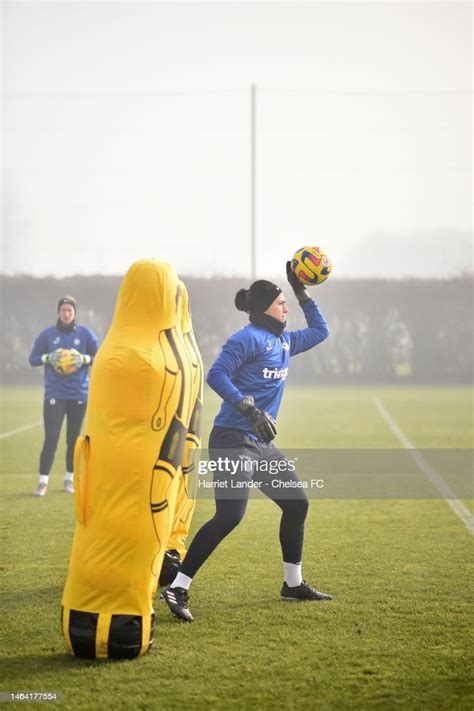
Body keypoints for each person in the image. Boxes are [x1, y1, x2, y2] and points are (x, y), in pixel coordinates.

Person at [162, 263, 332, 622]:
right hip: (231, 440)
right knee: (230, 516)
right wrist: (248, 407)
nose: (286, 307)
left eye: (288, 302)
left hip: (260, 443)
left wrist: (301, 292)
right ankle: (177, 587)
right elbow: (216, 374)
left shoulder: (285, 340)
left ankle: (292, 585)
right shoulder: (247, 338)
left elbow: (320, 330)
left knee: (297, 504)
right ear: (263, 308)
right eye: (282, 302)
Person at [29, 296, 99, 497]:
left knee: (73, 439)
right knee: (51, 438)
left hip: (78, 394)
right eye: (63, 310)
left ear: (74, 313)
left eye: (70, 310)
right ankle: (43, 482)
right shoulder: (47, 335)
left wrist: (84, 358)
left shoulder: (86, 334)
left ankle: (69, 479)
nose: (66, 313)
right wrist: (47, 358)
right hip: (54, 393)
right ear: (58, 312)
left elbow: (100, 356)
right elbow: (32, 359)